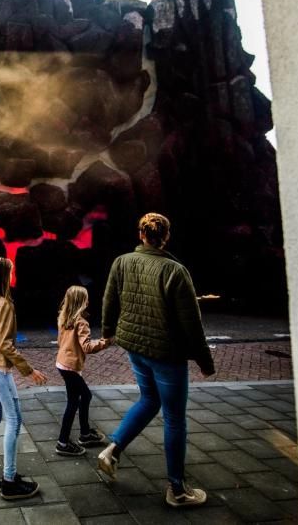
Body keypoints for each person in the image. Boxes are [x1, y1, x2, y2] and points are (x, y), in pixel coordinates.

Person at [98, 212, 215, 508]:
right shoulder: (175, 270)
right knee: (174, 419)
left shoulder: (121, 262)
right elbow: (191, 323)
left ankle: (112, 449)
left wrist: (109, 331)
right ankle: (177, 490)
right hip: (166, 354)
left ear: (141, 234)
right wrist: (205, 361)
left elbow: (110, 300)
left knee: (149, 400)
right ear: (166, 237)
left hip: (135, 347)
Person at [0, 256, 48, 501]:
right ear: (4, 276)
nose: (12, 276)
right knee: (14, 419)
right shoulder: (4, 305)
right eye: (10, 272)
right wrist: (29, 370)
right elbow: (6, 345)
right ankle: (9, 481)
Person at [54, 285, 109, 457]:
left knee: (84, 396)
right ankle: (63, 442)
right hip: (70, 366)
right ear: (81, 302)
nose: (89, 301)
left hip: (62, 363)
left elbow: (59, 341)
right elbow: (87, 347)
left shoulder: (64, 317)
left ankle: (85, 434)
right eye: (86, 298)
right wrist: (105, 342)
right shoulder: (81, 322)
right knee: (74, 402)